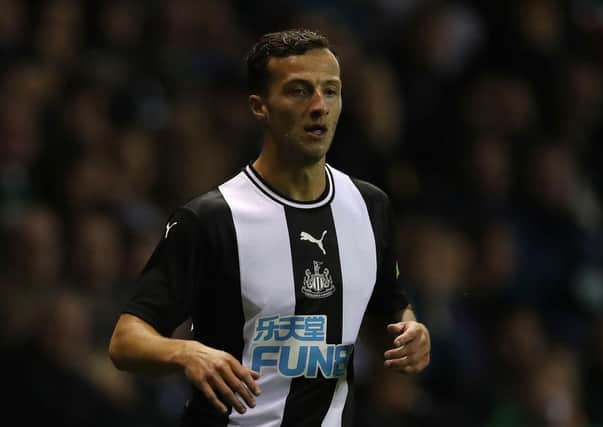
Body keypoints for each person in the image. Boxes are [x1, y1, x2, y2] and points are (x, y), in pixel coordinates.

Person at [109, 28, 431, 427]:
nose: (319, 106)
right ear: (259, 107)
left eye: (330, 91)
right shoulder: (212, 218)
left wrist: (411, 330)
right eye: (299, 91)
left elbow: (390, 304)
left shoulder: (370, 206)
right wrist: (186, 352)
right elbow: (125, 340)